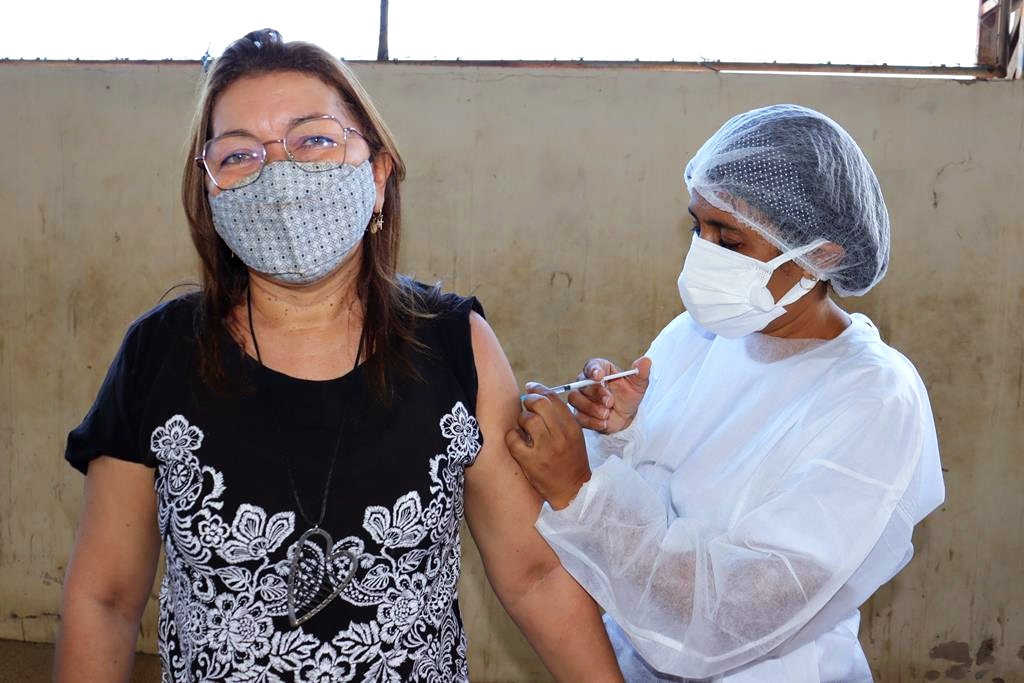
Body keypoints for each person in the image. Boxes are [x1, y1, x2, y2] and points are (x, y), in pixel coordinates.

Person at [54, 29, 622, 683]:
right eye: (239, 154)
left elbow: (535, 574)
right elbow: (105, 598)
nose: (281, 173)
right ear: (212, 193)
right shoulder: (158, 354)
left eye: (314, 140)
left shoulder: (454, 344)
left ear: (377, 174)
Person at [506, 104, 945, 682]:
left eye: (729, 240)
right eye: (699, 228)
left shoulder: (873, 398)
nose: (704, 255)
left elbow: (722, 622)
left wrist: (579, 488)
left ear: (820, 255)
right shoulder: (699, 336)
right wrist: (623, 433)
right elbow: (653, 510)